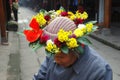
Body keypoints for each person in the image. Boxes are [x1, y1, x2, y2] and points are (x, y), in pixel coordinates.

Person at [23, 8, 113, 80]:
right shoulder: (53, 54)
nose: (55, 60)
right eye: (53, 54)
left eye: (61, 56)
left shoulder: (99, 71)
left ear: (77, 48)